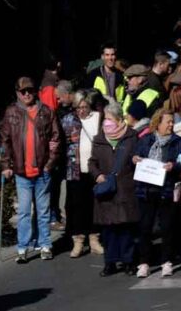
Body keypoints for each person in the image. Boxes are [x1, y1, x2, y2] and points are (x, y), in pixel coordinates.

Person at [0, 76, 61, 263]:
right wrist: (5, 165)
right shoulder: (11, 112)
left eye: (29, 90)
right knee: (24, 211)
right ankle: (23, 247)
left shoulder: (46, 112)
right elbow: (5, 141)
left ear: (35, 91)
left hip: (42, 170)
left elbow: (56, 139)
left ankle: (45, 245)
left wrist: (50, 164)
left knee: (43, 211)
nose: (26, 94)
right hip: (21, 171)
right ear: (17, 93)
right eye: (22, 91)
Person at [132, 108, 181, 278]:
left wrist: (174, 166)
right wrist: (135, 159)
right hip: (146, 189)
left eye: (172, 122)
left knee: (167, 227)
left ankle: (166, 261)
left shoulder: (177, 142)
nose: (171, 125)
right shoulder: (146, 140)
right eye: (168, 122)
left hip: (166, 189)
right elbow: (137, 156)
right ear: (158, 124)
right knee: (145, 227)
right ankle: (144, 262)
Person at [90, 102, 140, 277]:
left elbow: (139, 157)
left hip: (125, 189)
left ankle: (128, 262)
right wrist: (97, 175)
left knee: (125, 228)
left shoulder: (132, 137)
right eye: (105, 119)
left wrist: (136, 160)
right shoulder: (99, 139)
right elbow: (92, 162)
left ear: (119, 120)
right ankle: (109, 262)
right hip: (107, 190)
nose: (106, 123)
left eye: (110, 119)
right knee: (109, 229)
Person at [62, 90, 103, 257]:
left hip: (94, 170)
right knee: (78, 206)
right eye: (78, 107)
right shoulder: (67, 120)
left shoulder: (98, 117)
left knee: (95, 205)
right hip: (75, 170)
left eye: (84, 107)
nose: (81, 110)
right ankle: (78, 241)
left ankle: (94, 239)